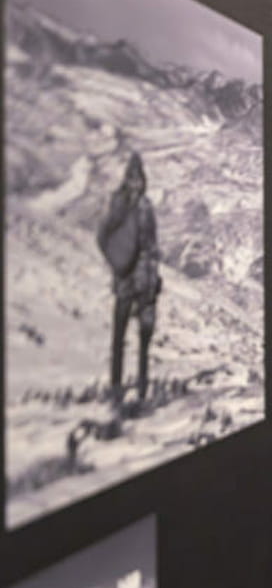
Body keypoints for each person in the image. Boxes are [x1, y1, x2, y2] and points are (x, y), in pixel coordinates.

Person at [96, 153, 161, 412]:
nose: (137, 184)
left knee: (140, 337)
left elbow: (151, 246)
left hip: (139, 280)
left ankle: (137, 391)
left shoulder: (136, 205)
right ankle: (121, 391)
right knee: (123, 337)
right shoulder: (127, 205)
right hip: (130, 280)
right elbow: (105, 238)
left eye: (139, 179)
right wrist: (120, 264)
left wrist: (152, 278)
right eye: (134, 179)